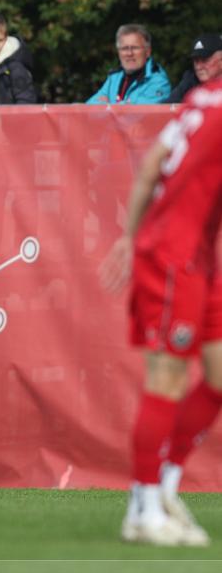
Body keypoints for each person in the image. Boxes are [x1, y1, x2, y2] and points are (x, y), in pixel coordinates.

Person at [100, 79, 222, 546]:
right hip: (176, 255)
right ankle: (144, 508)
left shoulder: (202, 97)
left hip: (194, 255)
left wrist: (131, 237)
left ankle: (163, 488)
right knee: (166, 378)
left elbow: (153, 165)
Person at [87, 24, 171, 105]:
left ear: (148, 51)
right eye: (124, 48)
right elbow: (89, 106)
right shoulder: (114, 78)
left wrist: (107, 105)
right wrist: (124, 105)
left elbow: (139, 112)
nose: (129, 53)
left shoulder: (158, 81)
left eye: (135, 47)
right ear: (118, 52)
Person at [166, 33, 222, 103]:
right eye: (196, 61)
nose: (198, 67)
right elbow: (167, 106)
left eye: (205, 60)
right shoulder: (190, 80)